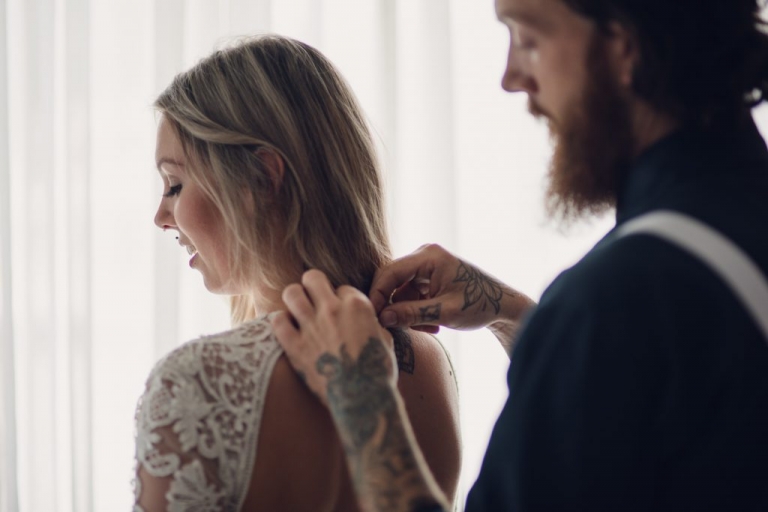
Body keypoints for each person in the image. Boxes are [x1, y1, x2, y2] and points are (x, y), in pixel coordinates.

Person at [272, 0, 768, 510]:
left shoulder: (618, 299)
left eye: (529, 39)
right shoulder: (723, 237)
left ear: (625, 48)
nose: (511, 78)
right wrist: (518, 317)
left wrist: (362, 398)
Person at [132, 35, 461, 512]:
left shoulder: (196, 383)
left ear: (261, 180)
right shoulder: (428, 358)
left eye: (175, 183)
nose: (162, 215)